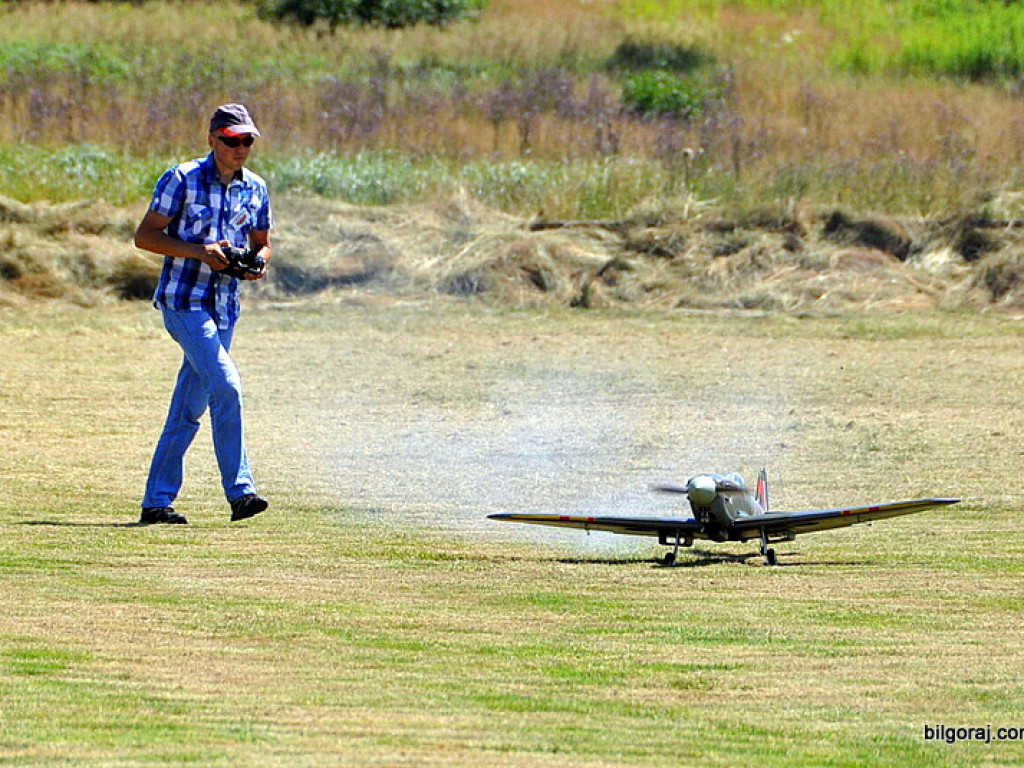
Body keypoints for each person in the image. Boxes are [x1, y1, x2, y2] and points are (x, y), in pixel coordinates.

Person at [135, 103, 273, 525]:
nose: (241, 148)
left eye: (247, 140)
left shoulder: (256, 188)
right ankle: (241, 492)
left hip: (226, 308)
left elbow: (263, 242)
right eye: (232, 140)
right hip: (183, 301)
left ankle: (156, 504)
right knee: (227, 386)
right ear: (212, 139)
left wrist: (256, 263)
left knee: (188, 409)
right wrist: (200, 251)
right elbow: (144, 236)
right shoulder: (181, 178)